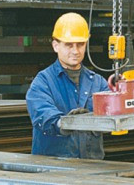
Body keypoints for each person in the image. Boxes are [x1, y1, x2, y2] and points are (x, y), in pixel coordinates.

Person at [26, 12, 109, 158]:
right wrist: (64, 123)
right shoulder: (43, 82)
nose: (75, 51)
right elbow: (43, 116)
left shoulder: (98, 83)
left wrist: (121, 94)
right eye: (69, 45)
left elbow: (112, 115)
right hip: (53, 167)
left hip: (91, 166)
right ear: (55, 46)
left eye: (80, 44)